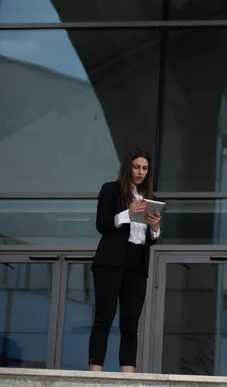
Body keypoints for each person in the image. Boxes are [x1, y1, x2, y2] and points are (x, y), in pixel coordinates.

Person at [88, 147, 162, 373]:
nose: (141, 172)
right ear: (127, 166)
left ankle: (127, 375)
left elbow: (151, 239)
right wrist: (127, 214)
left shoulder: (150, 199)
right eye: (136, 167)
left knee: (131, 324)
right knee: (104, 317)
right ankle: (94, 373)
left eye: (145, 168)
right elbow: (102, 224)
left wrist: (155, 227)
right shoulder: (110, 190)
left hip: (137, 264)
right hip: (111, 263)